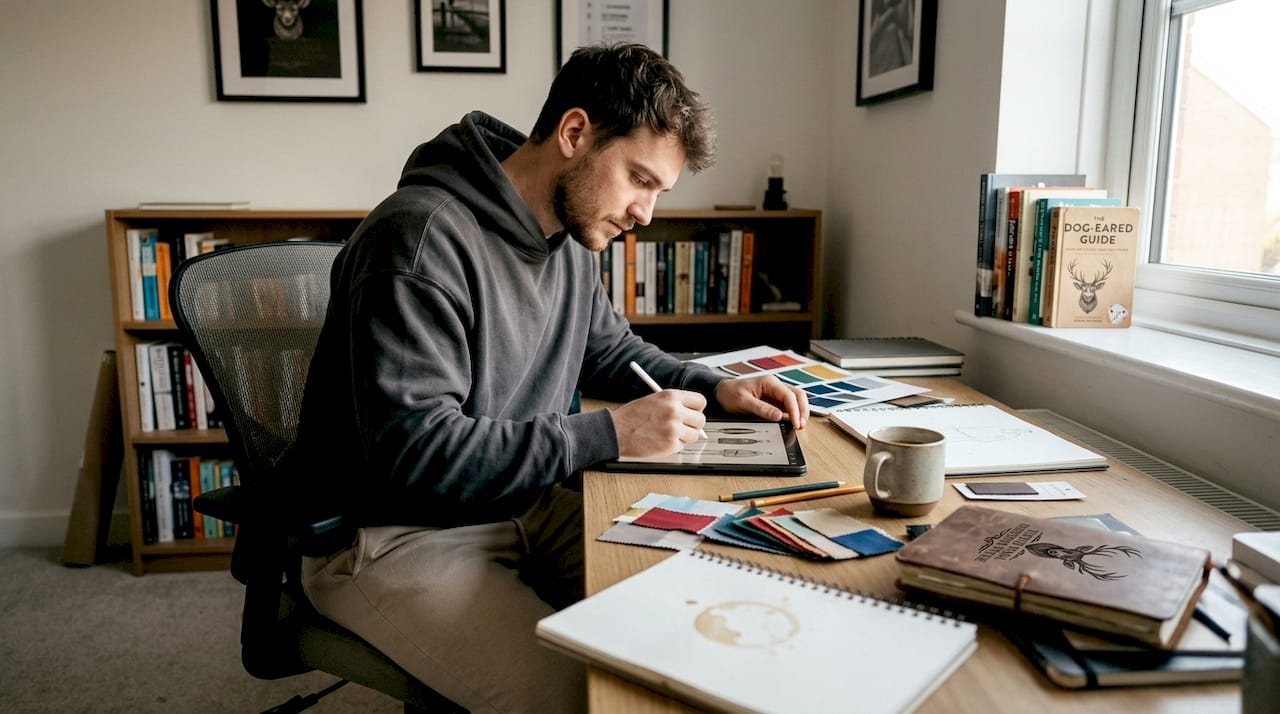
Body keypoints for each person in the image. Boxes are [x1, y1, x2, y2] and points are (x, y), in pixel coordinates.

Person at [293, 42, 809, 713]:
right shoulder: (417, 241)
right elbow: (414, 454)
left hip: (520, 502)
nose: (644, 214)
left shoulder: (564, 240)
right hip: (393, 537)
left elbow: (610, 351)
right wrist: (607, 435)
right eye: (640, 180)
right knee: (585, 699)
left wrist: (714, 387)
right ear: (574, 134)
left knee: (707, 615)